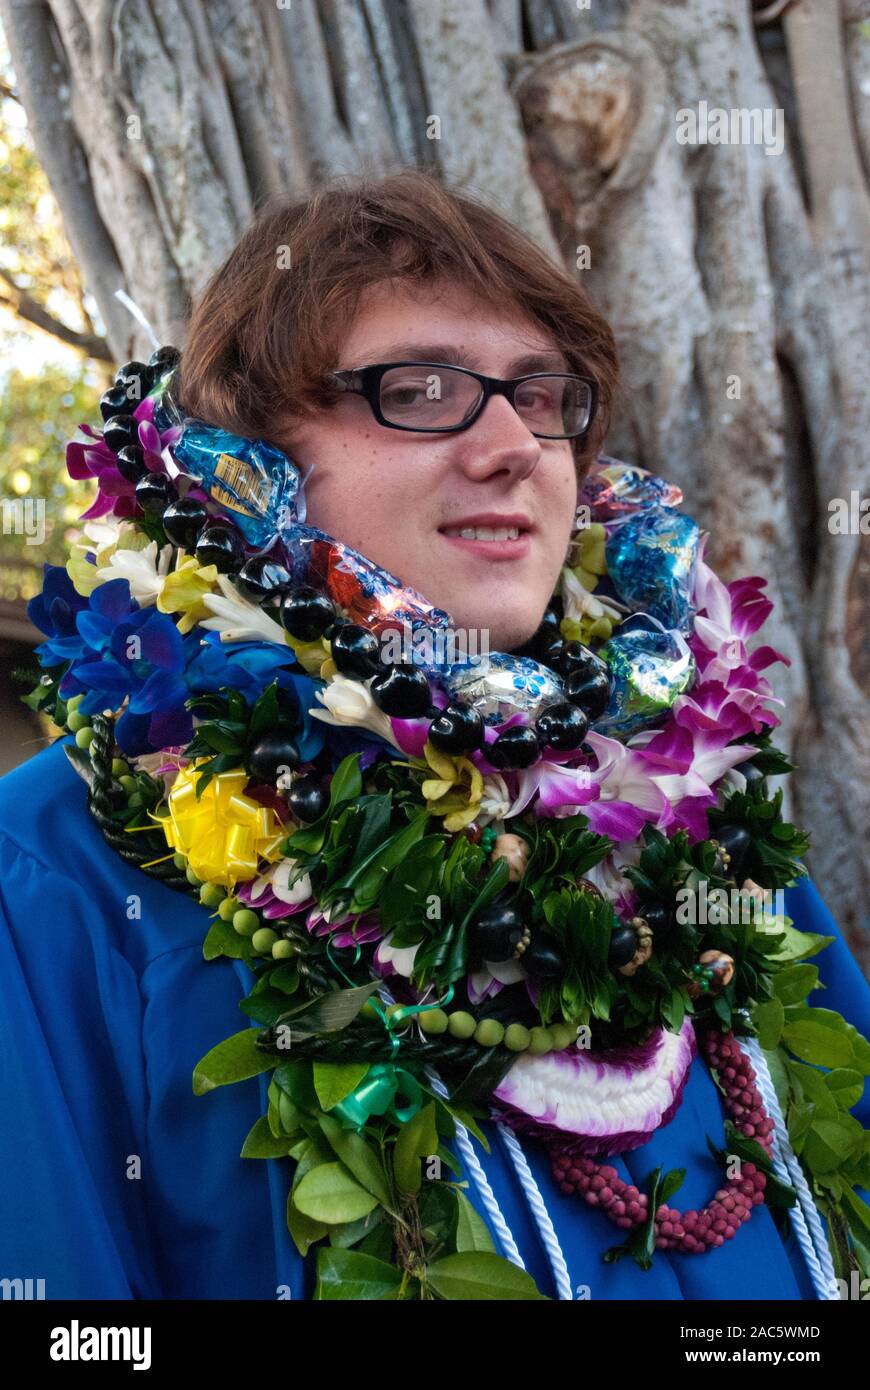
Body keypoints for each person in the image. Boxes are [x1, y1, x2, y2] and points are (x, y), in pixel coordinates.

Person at [0, 170, 867, 1302]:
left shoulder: (693, 830)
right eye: (422, 388)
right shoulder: (61, 872)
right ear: (248, 460)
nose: (515, 446)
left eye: (544, 395)